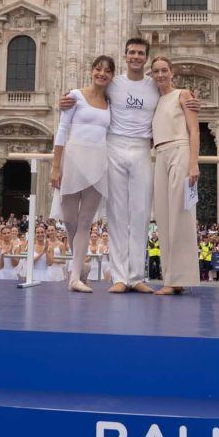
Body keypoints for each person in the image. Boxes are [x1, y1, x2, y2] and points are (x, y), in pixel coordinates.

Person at [60, 38, 199, 294]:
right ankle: (120, 276)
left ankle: (136, 276)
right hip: (114, 146)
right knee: (116, 213)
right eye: (132, 52)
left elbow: (173, 95)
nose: (136, 56)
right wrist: (68, 99)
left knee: (140, 212)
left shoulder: (153, 85)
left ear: (145, 58)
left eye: (140, 53)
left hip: (141, 149)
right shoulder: (114, 84)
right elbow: (92, 91)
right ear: (125, 56)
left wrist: (191, 100)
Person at [51, 55, 114, 293]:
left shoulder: (110, 102)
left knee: (86, 221)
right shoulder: (75, 96)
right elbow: (62, 129)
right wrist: (56, 166)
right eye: (98, 69)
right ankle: (83, 264)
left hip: (98, 161)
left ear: (112, 76)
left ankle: (75, 276)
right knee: (69, 219)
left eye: (107, 71)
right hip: (74, 159)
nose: (102, 73)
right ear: (91, 71)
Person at [148, 56, 201, 295]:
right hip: (159, 154)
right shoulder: (154, 101)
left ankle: (178, 278)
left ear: (172, 72)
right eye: (156, 71)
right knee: (163, 217)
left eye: (164, 70)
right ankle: (171, 277)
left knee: (181, 215)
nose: (160, 75)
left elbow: (194, 130)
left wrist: (193, 163)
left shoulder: (183, 95)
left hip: (180, 150)